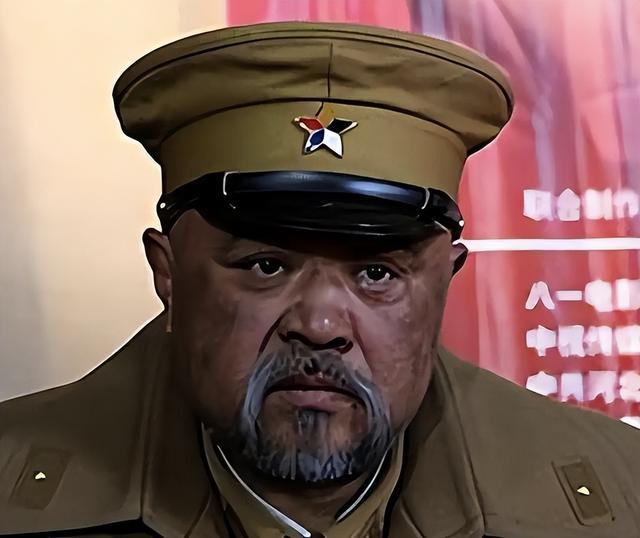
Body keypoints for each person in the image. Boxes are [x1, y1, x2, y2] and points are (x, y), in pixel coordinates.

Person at [1, 21, 639, 538]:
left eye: (376, 273)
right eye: (266, 266)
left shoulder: (622, 496)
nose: (320, 325)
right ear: (167, 273)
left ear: (446, 282)